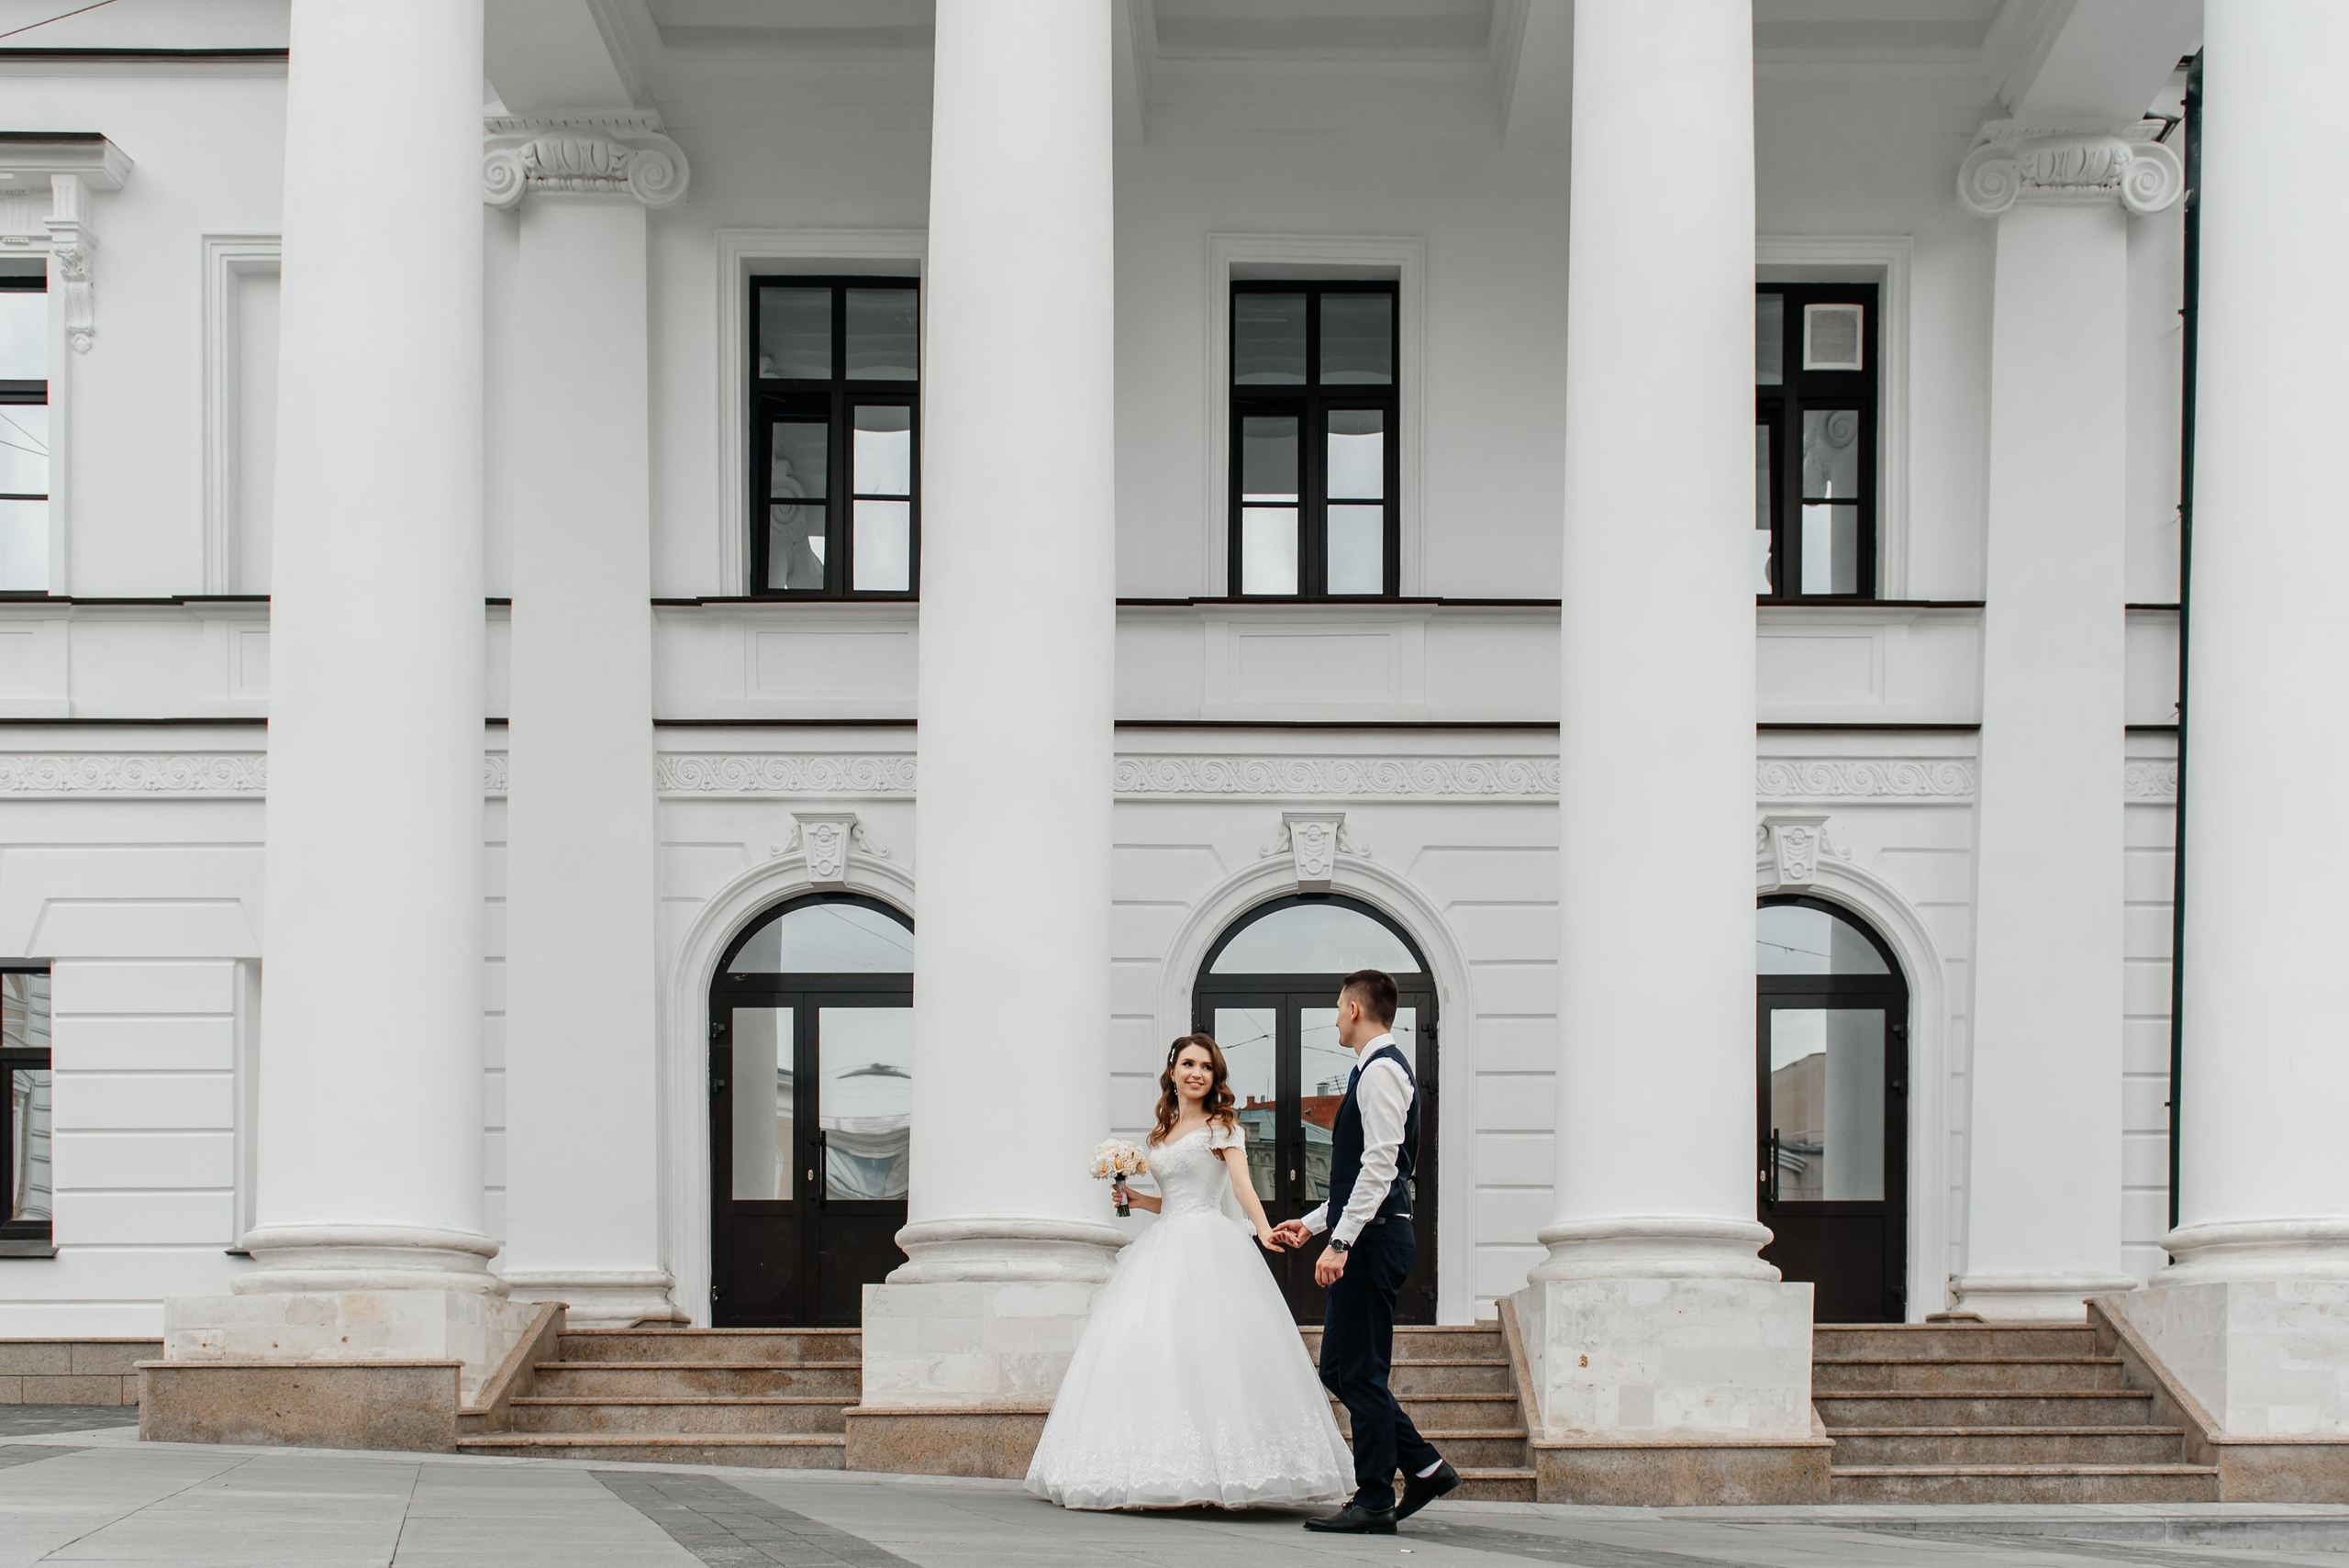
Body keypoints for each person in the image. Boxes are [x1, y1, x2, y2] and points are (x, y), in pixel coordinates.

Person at [1024, 1034, 1353, 1510]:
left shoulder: (1224, 1127)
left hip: (1208, 1242)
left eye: (1206, 1067)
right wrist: (1137, 1200)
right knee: (1155, 1350)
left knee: (1213, 1352)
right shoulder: (1163, 1133)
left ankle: (1229, 1471)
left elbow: (1240, 1184)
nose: (1197, 1073)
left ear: (1214, 1077)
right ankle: (1161, 1467)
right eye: (1188, 1064)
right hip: (1164, 1243)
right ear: (1173, 1072)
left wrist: (1261, 1231)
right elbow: (1174, 1198)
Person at [1271, 969, 1459, 1534]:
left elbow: (1380, 1166)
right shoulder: (1373, 1070)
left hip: (1374, 1239)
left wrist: (1343, 1242)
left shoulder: (1380, 1072)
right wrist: (1310, 1225)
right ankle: (1423, 1467)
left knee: (1359, 1371)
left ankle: (1375, 1497)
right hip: (1372, 1231)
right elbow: (1359, 1176)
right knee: (1342, 1368)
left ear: (1355, 1008)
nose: (1332, 1017)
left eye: (1336, 1006)